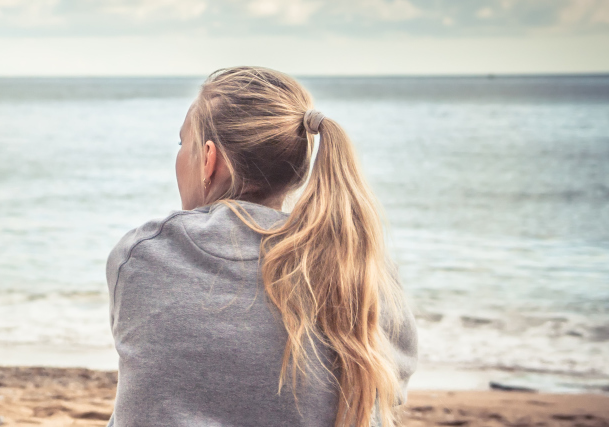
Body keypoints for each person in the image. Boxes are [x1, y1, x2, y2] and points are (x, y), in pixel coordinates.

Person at [106, 66, 417, 427]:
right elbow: (391, 391)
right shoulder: (363, 267)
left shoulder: (145, 254)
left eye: (182, 144)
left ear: (208, 159)